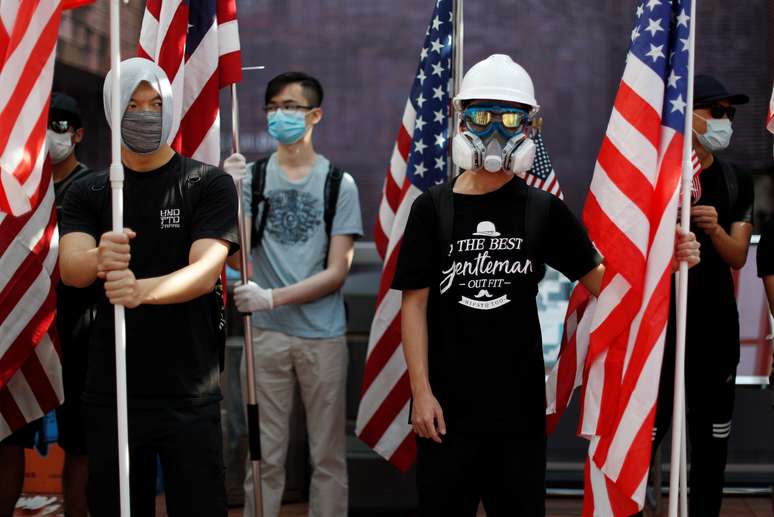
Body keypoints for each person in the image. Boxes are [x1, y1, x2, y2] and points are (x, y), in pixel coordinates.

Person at [392, 54, 700, 517]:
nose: (495, 130)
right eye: (481, 115)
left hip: (518, 414)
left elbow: (607, 285)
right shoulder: (431, 210)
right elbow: (413, 306)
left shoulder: (542, 210)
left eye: (509, 117)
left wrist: (664, 257)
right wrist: (421, 392)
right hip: (445, 411)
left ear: (530, 126)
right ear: (460, 119)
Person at [58, 57, 239, 517]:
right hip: (111, 389)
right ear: (112, 110)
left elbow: (205, 271)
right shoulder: (91, 192)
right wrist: (100, 257)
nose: (144, 115)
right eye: (132, 104)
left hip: (189, 389)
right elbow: (70, 268)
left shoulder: (206, 183)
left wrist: (140, 291)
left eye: (154, 104)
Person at [224, 71, 363, 517]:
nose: (280, 115)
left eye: (291, 107)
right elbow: (237, 251)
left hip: (322, 336)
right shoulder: (255, 179)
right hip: (264, 337)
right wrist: (232, 191)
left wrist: (272, 297)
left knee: (327, 457)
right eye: (273, 108)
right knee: (264, 456)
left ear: (315, 115)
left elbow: (337, 271)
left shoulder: (338, 184)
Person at [641, 74, 754, 517]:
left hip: (715, 331)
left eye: (731, 113)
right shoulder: (656, 173)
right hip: (660, 330)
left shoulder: (735, 179)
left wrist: (714, 229)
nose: (726, 121)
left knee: (710, 452)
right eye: (717, 112)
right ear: (690, 115)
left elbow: (739, 256)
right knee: (644, 440)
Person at [50, 91, 97, 517]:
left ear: (78, 134)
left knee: (79, 445)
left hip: (77, 332)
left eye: (60, 126)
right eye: (42, 125)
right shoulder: (20, 191)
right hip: (26, 330)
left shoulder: (91, 188)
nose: (51, 135)